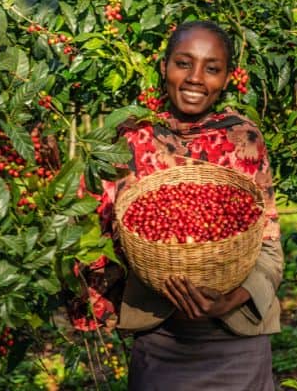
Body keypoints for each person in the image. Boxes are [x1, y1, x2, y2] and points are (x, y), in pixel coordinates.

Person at [71, 20, 283, 390]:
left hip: (237, 340)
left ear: (228, 78)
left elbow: (269, 247)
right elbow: (92, 233)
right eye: (183, 63)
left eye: (211, 68)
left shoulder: (244, 139)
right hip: (160, 338)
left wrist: (230, 299)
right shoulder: (130, 140)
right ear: (164, 66)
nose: (195, 78)